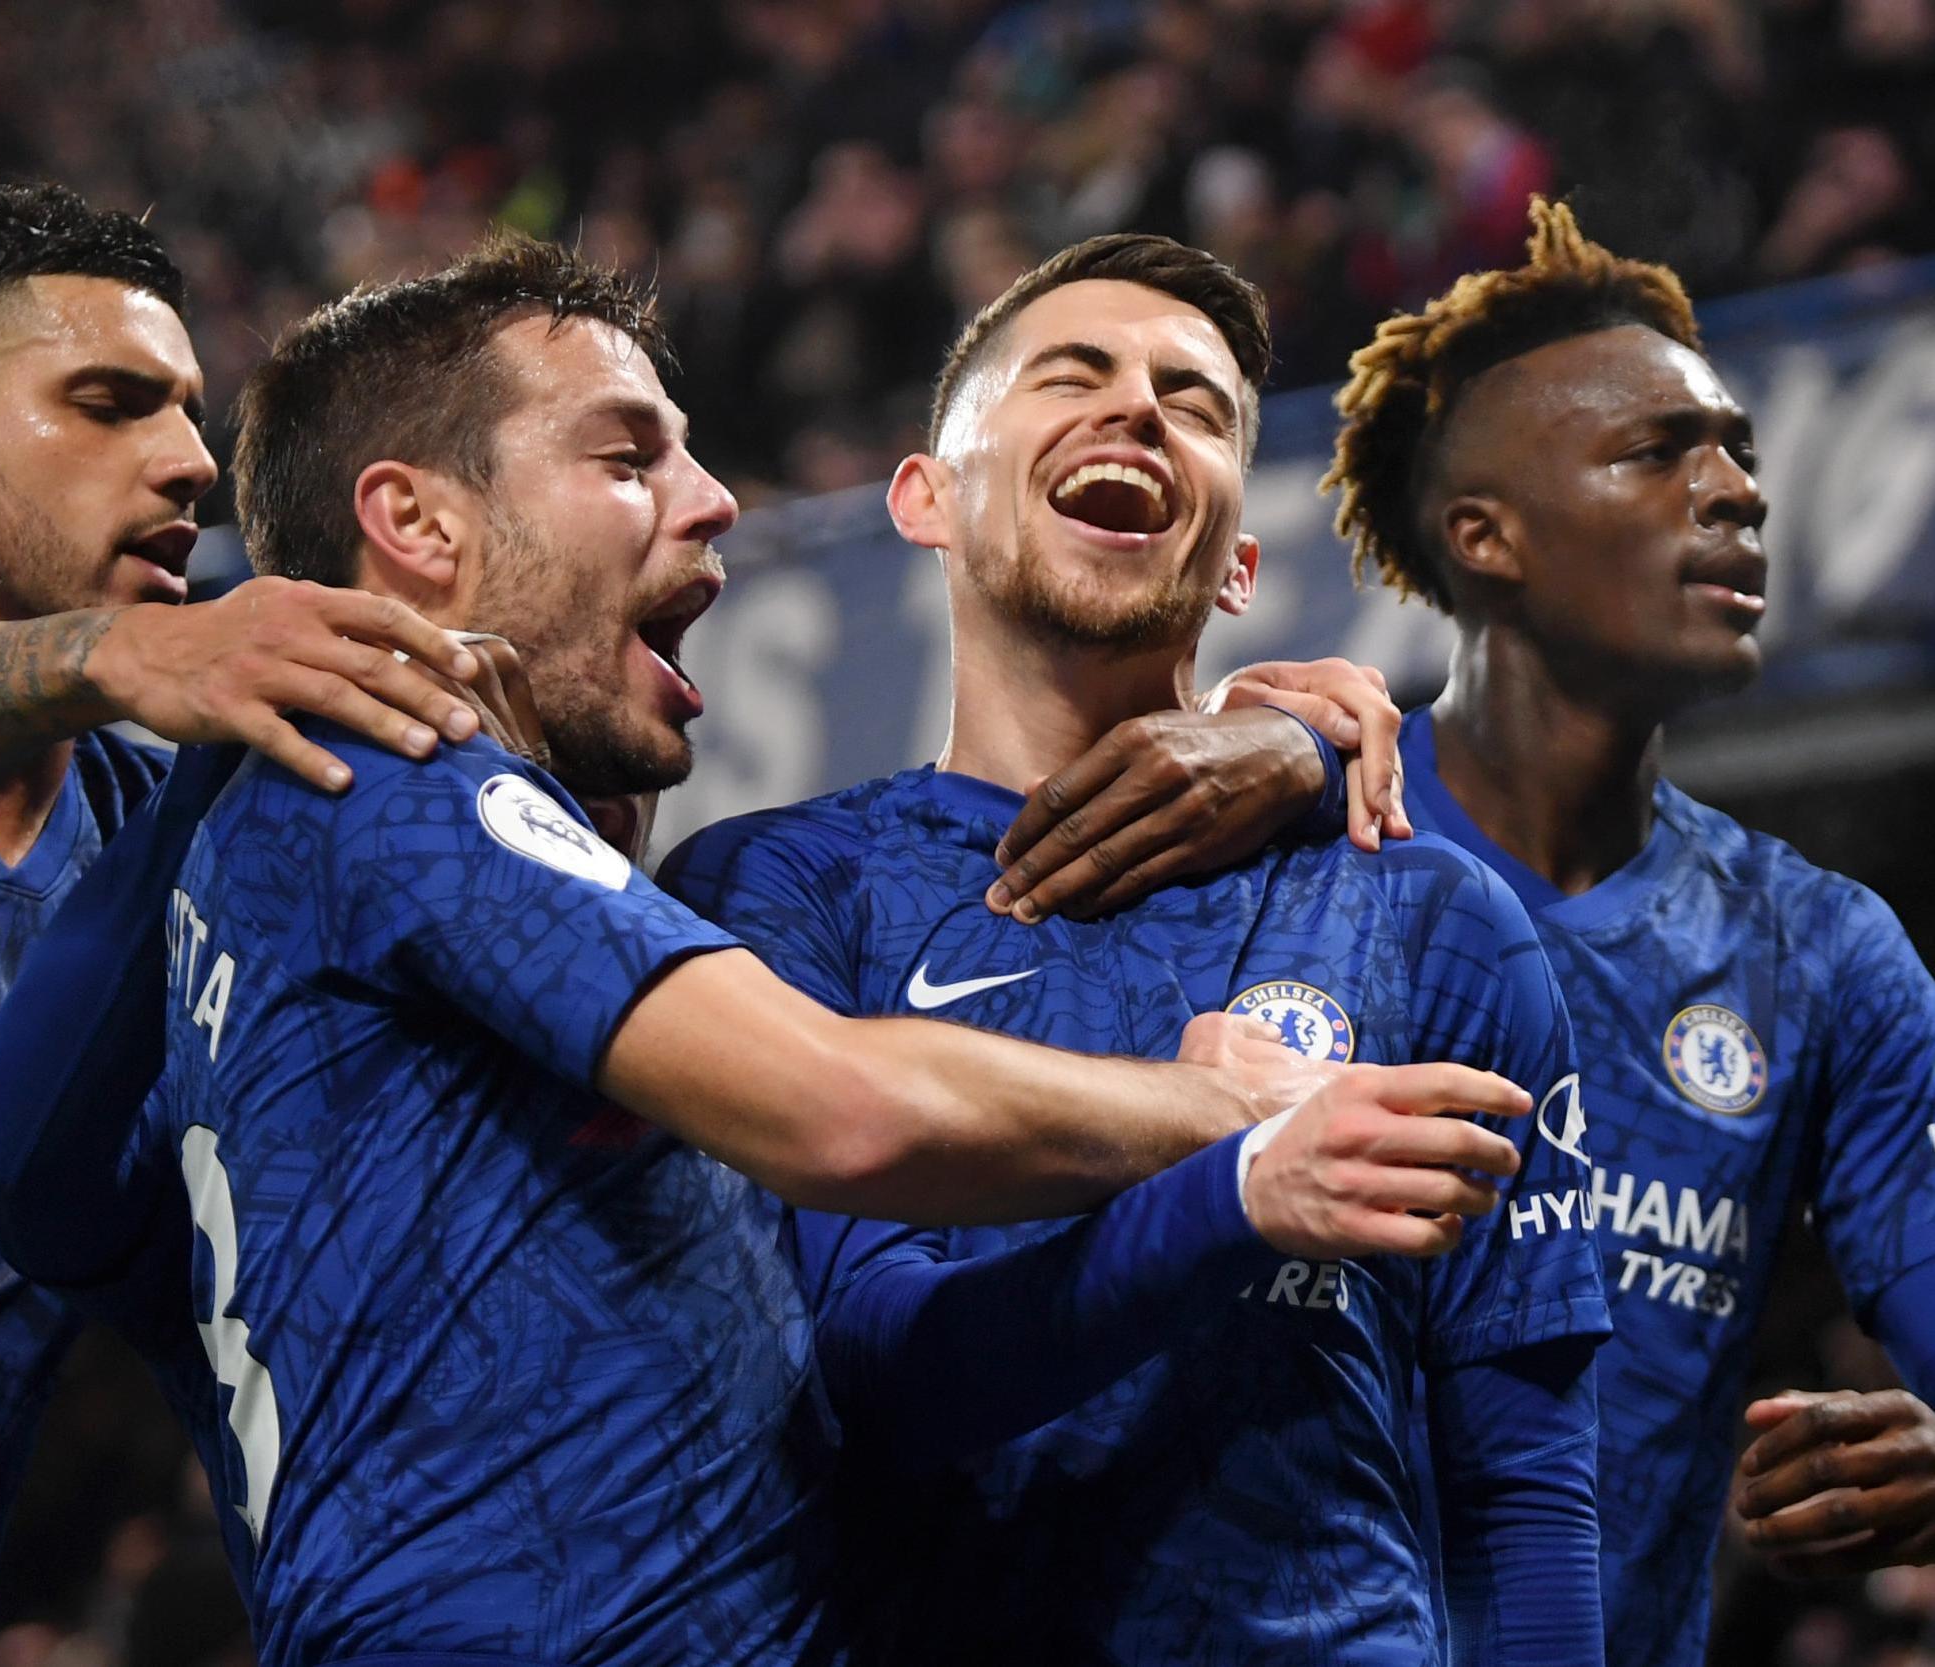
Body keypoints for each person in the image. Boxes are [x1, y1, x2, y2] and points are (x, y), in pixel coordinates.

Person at [0, 232, 1538, 1667]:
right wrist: (1228, 1134)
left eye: (1192, 403)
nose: (714, 500)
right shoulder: (435, 793)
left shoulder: (357, 895)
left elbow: (26, 1179)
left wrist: (1310, 756)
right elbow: (844, 1126)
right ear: (414, 523)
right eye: (631, 454)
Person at [655, 232, 1612, 1665]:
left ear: (1236, 558)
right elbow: (864, 1372)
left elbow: (1526, 1478)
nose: (1138, 410)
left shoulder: (1425, 913)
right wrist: (1231, 1187)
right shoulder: (783, 890)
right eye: (1069, 374)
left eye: (1195, 401)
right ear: (925, 498)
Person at [0, 179, 511, 1666]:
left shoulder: (166, 828)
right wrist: (113, 652)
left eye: (191, 413)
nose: (189, 462)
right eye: (109, 402)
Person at [1312, 195, 1935, 1667]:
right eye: (1660, 452)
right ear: (1485, 535)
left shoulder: (1819, 952)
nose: (1735, 493)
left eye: (1736, 453)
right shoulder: (1289, 852)